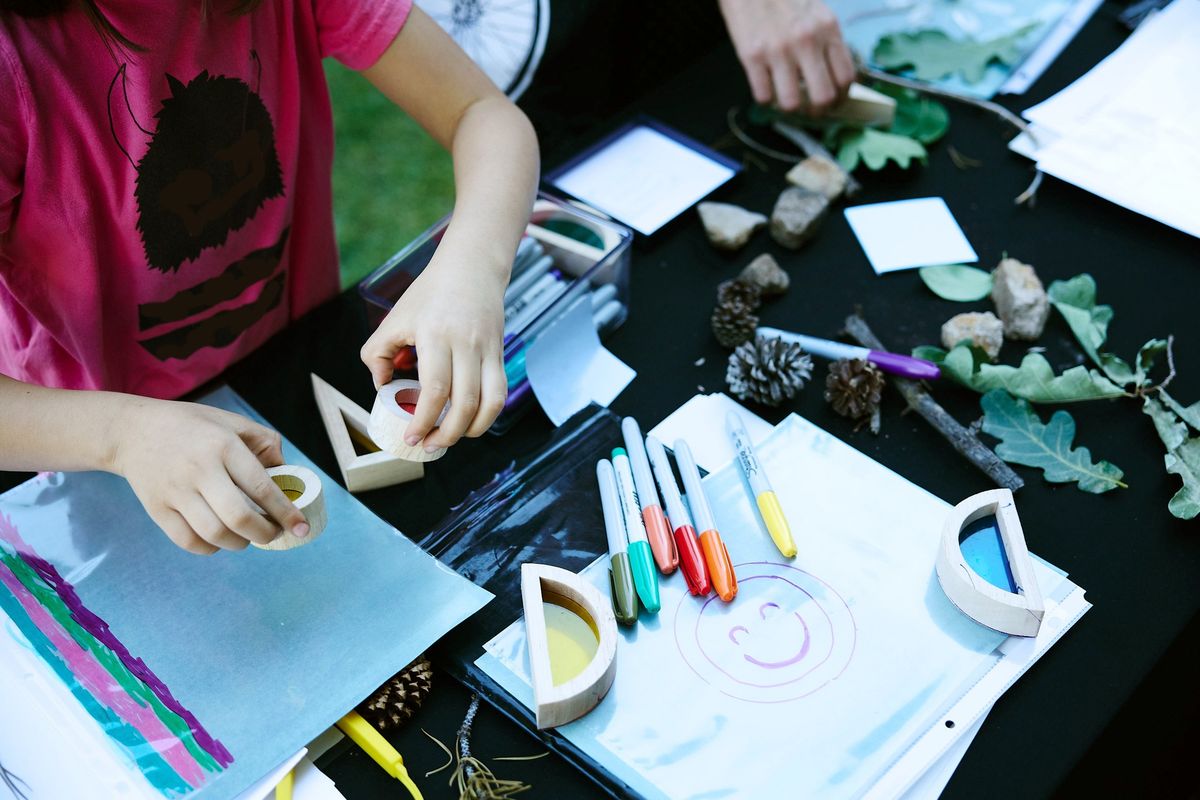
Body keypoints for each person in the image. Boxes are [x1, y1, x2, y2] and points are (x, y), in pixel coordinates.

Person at [0, 0, 539, 554]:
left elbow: (481, 112)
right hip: (90, 452)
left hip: (292, 367)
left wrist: (471, 267)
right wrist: (122, 436)